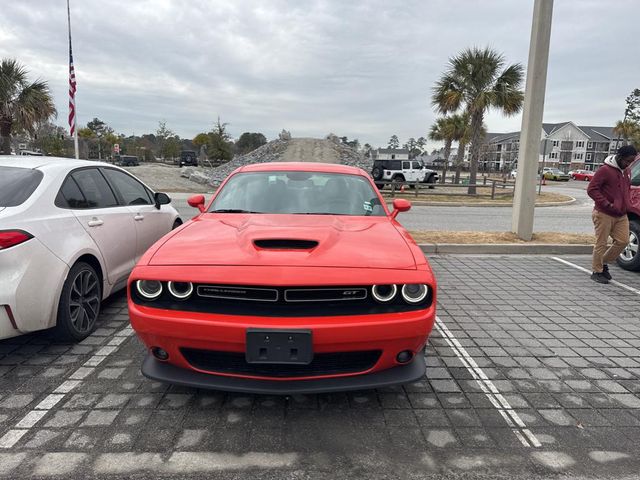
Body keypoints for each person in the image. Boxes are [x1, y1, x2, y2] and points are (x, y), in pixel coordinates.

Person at [587, 145, 637, 283]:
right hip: (604, 213)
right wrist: (607, 204)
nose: (628, 164)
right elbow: (592, 189)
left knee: (623, 241)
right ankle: (597, 272)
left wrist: (628, 203)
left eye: (631, 161)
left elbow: (626, 189)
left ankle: (602, 263)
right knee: (601, 243)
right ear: (620, 157)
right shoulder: (605, 170)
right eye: (627, 161)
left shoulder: (626, 171)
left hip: (621, 214)